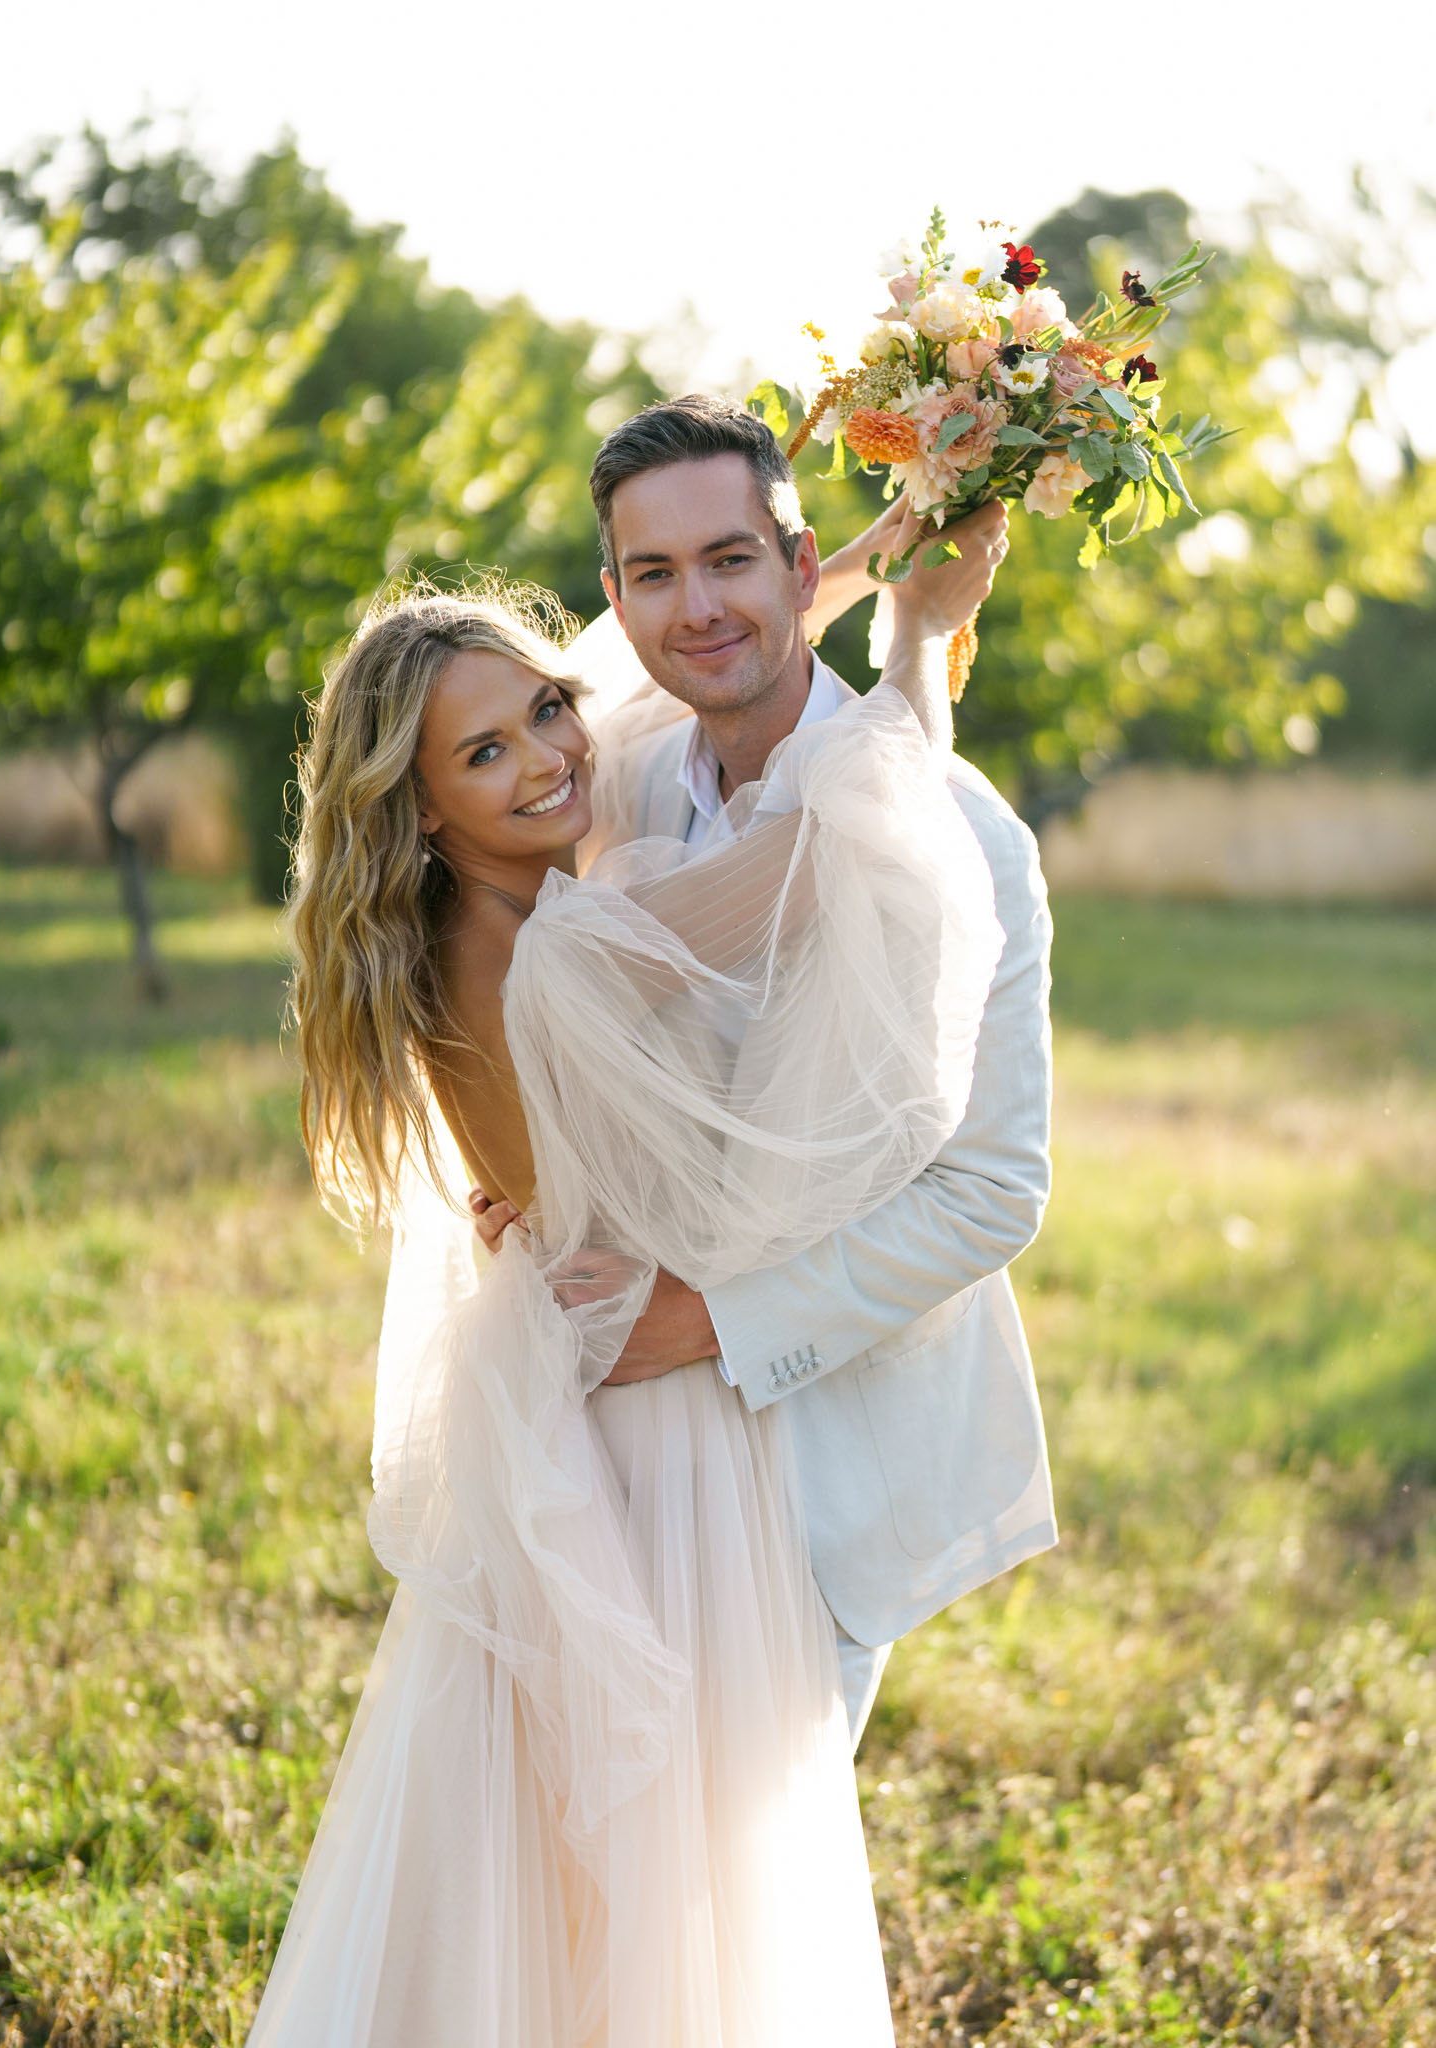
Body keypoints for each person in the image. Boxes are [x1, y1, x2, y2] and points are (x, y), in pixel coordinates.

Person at [247, 487, 1010, 2041]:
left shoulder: (476, 918)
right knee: (681, 1869)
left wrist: (852, 546)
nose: (549, 756)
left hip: (572, 1374)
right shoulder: (570, 946)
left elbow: (632, 664)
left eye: (541, 712)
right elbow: (842, 843)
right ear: (423, 801)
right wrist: (919, 643)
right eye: (488, 754)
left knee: (544, 1858)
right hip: (650, 1410)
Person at [474, 396, 1056, 1751]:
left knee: (741, 1912)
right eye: (656, 574)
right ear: (615, 600)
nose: (698, 607)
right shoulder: (596, 782)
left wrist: (717, 1327)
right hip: (605, 1440)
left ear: (803, 572)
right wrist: (522, 1177)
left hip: (822, 1461)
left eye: (732, 559)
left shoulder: (963, 834)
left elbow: (991, 1194)